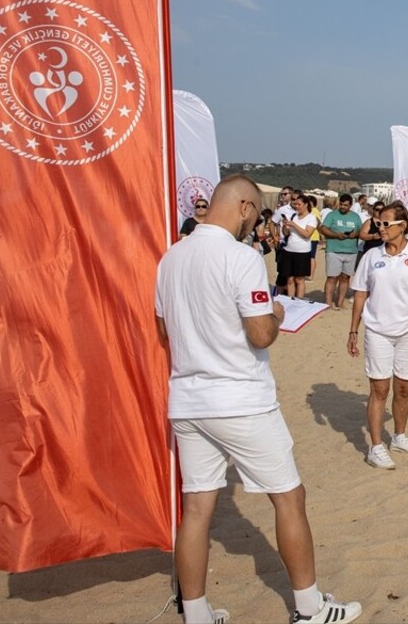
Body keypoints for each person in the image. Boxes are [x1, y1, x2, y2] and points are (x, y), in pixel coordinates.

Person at [155, 175, 362, 624]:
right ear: (246, 207)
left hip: (189, 399)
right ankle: (309, 608)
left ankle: (195, 613)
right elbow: (261, 333)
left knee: (196, 509)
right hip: (240, 398)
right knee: (289, 497)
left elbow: (162, 331)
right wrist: (277, 310)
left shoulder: (171, 256)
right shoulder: (241, 256)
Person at [348, 203, 408, 469]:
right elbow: (359, 295)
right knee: (379, 389)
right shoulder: (370, 256)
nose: (381, 228)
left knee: (403, 388)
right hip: (377, 330)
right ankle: (376, 447)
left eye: (386, 223)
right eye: (379, 223)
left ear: (403, 226)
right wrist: (353, 330)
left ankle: (399, 437)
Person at [319, 194, 362, 310]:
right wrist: (336, 235)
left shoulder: (356, 217)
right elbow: (323, 228)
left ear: (350, 205)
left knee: (345, 277)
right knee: (332, 277)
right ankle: (328, 304)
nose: (343, 207)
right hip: (334, 250)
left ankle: (340, 302)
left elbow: (361, 230)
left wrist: (355, 234)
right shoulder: (332, 214)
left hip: (351, 251)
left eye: (346, 205)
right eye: (341, 204)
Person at [281, 194, 317, 299]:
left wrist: (294, 225)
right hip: (289, 249)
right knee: (290, 279)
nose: (297, 206)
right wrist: (286, 227)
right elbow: (286, 233)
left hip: (302, 251)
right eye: (295, 204)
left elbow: (307, 234)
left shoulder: (311, 218)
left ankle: (299, 301)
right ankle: (290, 300)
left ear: (306, 204)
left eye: (299, 204)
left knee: (299, 279)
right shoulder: (293, 216)